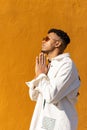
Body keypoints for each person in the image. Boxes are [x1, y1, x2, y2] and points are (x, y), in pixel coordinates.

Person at [26, 28, 81, 130]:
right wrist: (38, 76)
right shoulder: (50, 66)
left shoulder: (67, 65)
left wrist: (41, 76)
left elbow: (51, 95)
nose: (43, 41)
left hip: (60, 122)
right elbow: (34, 96)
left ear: (57, 44)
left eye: (47, 39)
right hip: (47, 120)